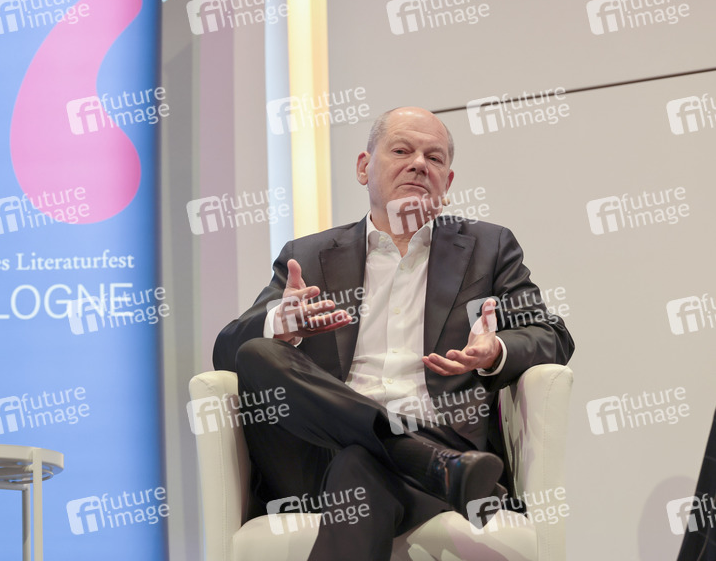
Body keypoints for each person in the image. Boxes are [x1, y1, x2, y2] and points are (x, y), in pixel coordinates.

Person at [213, 106, 574, 560]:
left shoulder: (488, 247)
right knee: (256, 353)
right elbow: (226, 350)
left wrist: (496, 350)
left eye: (434, 158)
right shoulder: (309, 255)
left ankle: (406, 453)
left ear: (447, 181)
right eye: (402, 151)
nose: (419, 164)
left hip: (437, 436)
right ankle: (412, 455)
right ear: (364, 168)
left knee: (360, 464)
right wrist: (279, 325)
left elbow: (553, 335)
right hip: (336, 458)